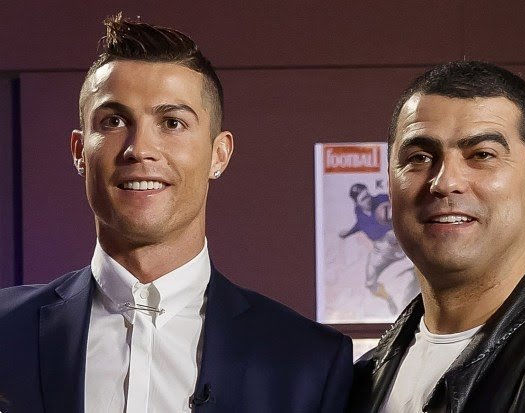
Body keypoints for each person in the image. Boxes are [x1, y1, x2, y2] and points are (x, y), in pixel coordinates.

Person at [0, 15, 352, 413]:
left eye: (172, 122)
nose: (139, 148)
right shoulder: (5, 329)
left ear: (219, 154)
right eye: (114, 121)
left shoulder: (308, 361)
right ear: (80, 152)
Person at [348, 61, 525, 412]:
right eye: (420, 157)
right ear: (390, 181)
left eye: (482, 155)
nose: (445, 182)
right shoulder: (360, 379)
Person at [339, 183, 417, 314]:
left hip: (399, 242)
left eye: (368, 194)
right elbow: (361, 224)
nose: (368, 199)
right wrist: (348, 233)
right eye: (363, 198)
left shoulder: (382, 199)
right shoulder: (358, 212)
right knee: (370, 283)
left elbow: (404, 206)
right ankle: (389, 300)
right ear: (357, 203)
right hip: (381, 249)